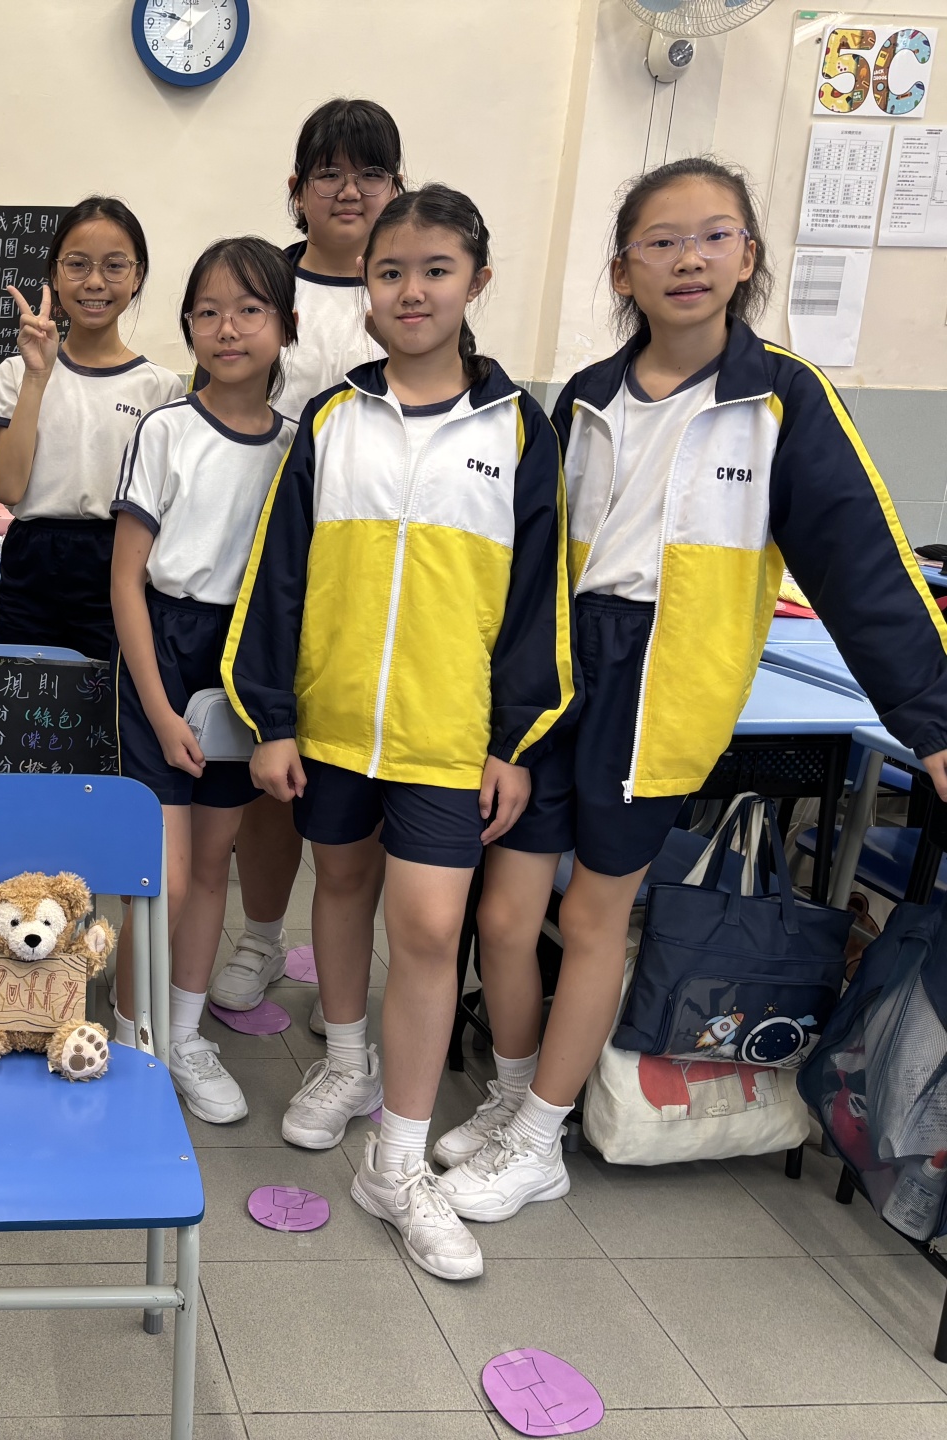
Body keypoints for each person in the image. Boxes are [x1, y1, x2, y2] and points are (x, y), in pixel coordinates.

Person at [437, 156, 947, 1223]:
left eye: (714, 236)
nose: (688, 259)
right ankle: (513, 1096)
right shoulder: (583, 397)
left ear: (748, 256)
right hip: (559, 674)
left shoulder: (782, 402)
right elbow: (528, 562)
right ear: (622, 268)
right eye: (660, 241)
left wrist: (933, 723)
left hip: (658, 691)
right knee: (507, 912)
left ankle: (539, 1140)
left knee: (591, 916)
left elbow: (864, 568)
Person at [225, 185, 573, 1279]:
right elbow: (279, 580)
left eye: (435, 269)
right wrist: (273, 720)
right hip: (331, 728)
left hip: (446, 737)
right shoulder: (332, 420)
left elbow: (538, 602)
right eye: (390, 272)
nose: (411, 290)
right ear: (363, 290)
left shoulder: (518, 429)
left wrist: (511, 741)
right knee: (339, 886)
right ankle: (345, 1059)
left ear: (477, 280)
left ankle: (398, 1160)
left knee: (427, 929)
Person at [211, 97, 405, 1022]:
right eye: (329, 172)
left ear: (396, 188)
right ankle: (258, 936)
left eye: (370, 173)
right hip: (263, 562)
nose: (349, 190)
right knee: (267, 761)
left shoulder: (406, 294)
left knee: (347, 773)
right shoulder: (264, 285)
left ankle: (342, 968)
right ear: (297, 189)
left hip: (372, 575)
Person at [110, 237, 298, 1121]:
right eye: (209, 312)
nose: (228, 329)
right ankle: (129, 1034)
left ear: (285, 326)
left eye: (250, 310)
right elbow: (126, 581)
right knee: (166, 875)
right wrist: (156, 707)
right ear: (187, 325)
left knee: (214, 859)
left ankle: (183, 1036)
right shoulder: (166, 430)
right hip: (164, 650)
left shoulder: (298, 448)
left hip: (246, 659)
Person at [0, 196, 184, 658]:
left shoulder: (161, 388)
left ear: (137, 276)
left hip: (119, 562)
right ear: (54, 272)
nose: (94, 282)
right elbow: (8, 488)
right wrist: (37, 376)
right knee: (21, 691)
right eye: (77, 264)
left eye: (114, 266)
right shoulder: (17, 371)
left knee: (107, 697)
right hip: (31, 566)